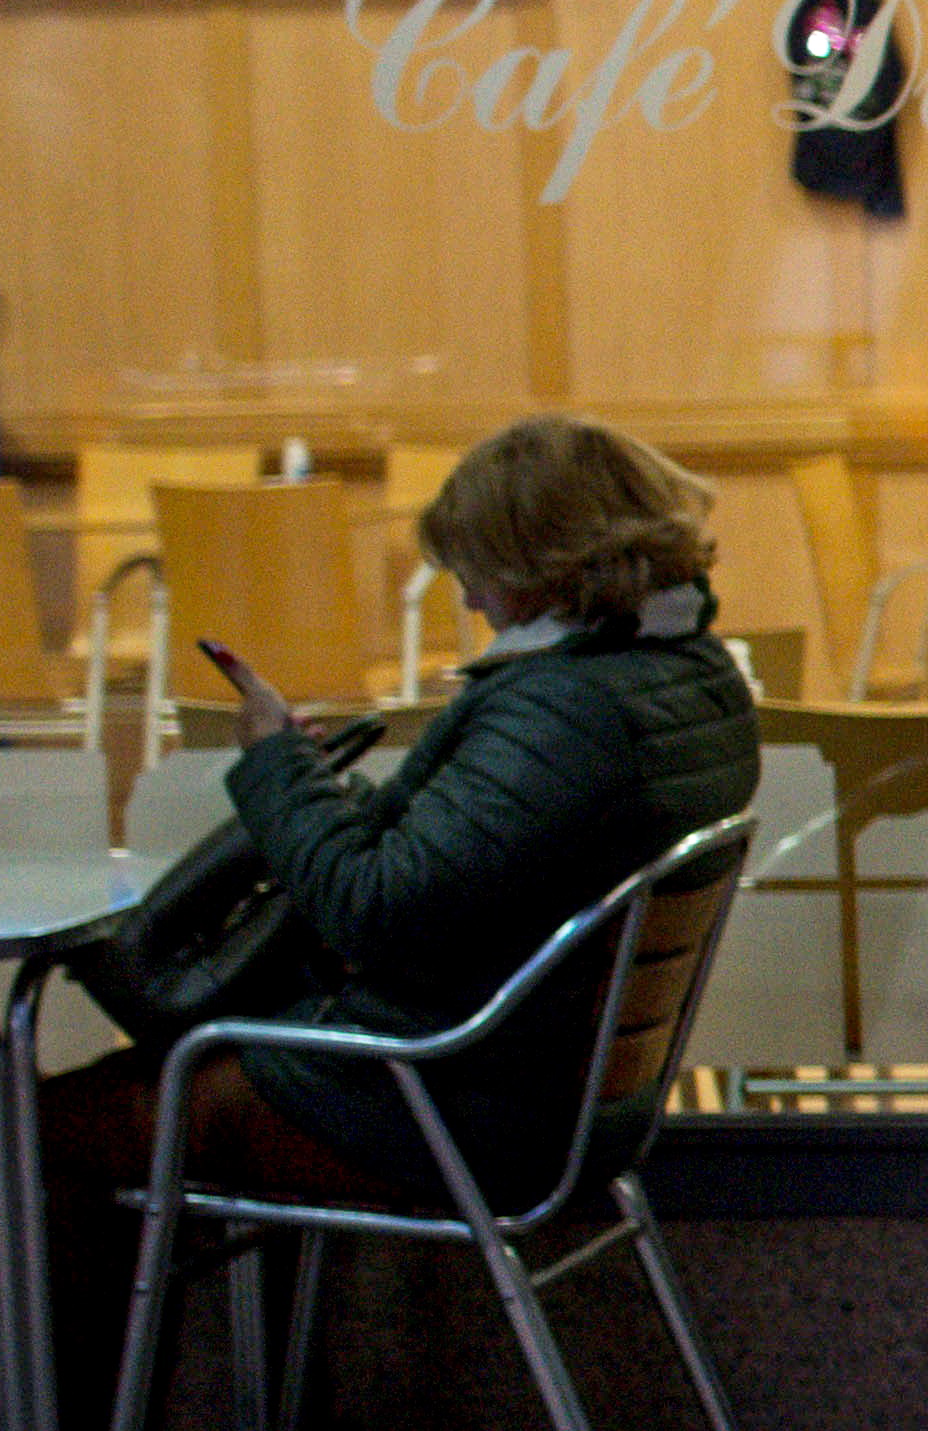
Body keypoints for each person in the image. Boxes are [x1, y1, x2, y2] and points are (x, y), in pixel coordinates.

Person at [46, 414, 768, 1267]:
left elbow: (372, 910)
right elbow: (493, 848)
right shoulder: (694, 676)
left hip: (447, 1103)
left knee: (56, 1133)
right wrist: (324, 790)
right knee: (142, 1099)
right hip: (561, 1099)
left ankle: (63, 1409)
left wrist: (277, 761)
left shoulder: (568, 707)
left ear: (544, 561)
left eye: (476, 569)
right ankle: (262, 1403)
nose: (468, 599)